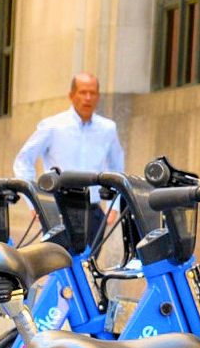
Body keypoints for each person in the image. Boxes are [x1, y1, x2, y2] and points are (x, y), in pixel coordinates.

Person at [12, 72, 125, 243]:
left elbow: (116, 167)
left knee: (89, 259)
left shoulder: (108, 128)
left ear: (98, 97)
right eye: (83, 92)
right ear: (71, 95)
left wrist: (113, 206)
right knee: (58, 259)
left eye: (92, 93)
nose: (88, 98)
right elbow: (23, 160)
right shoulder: (52, 126)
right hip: (58, 211)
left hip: (93, 213)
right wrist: (33, 200)